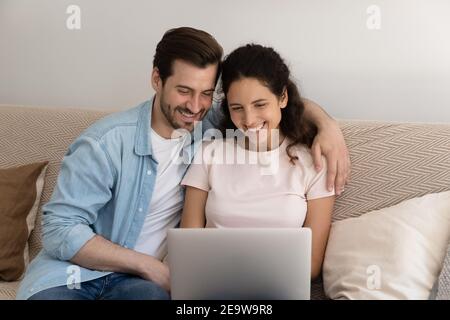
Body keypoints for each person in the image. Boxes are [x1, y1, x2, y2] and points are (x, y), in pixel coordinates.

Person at [17, 27, 349, 300]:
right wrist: (148, 266)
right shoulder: (105, 143)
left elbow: (268, 103)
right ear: (157, 80)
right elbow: (59, 229)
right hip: (73, 277)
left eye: (206, 93)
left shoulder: (211, 126)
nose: (195, 105)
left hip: (140, 288)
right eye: (184, 91)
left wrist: (328, 127)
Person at [180, 44, 335, 280]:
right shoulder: (210, 152)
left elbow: (312, 264)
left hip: (278, 285)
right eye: (237, 108)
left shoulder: (313, 162)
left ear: (282, 97)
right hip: (213, 285)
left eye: (260, 105)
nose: (249, 120)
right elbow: (187, 247)